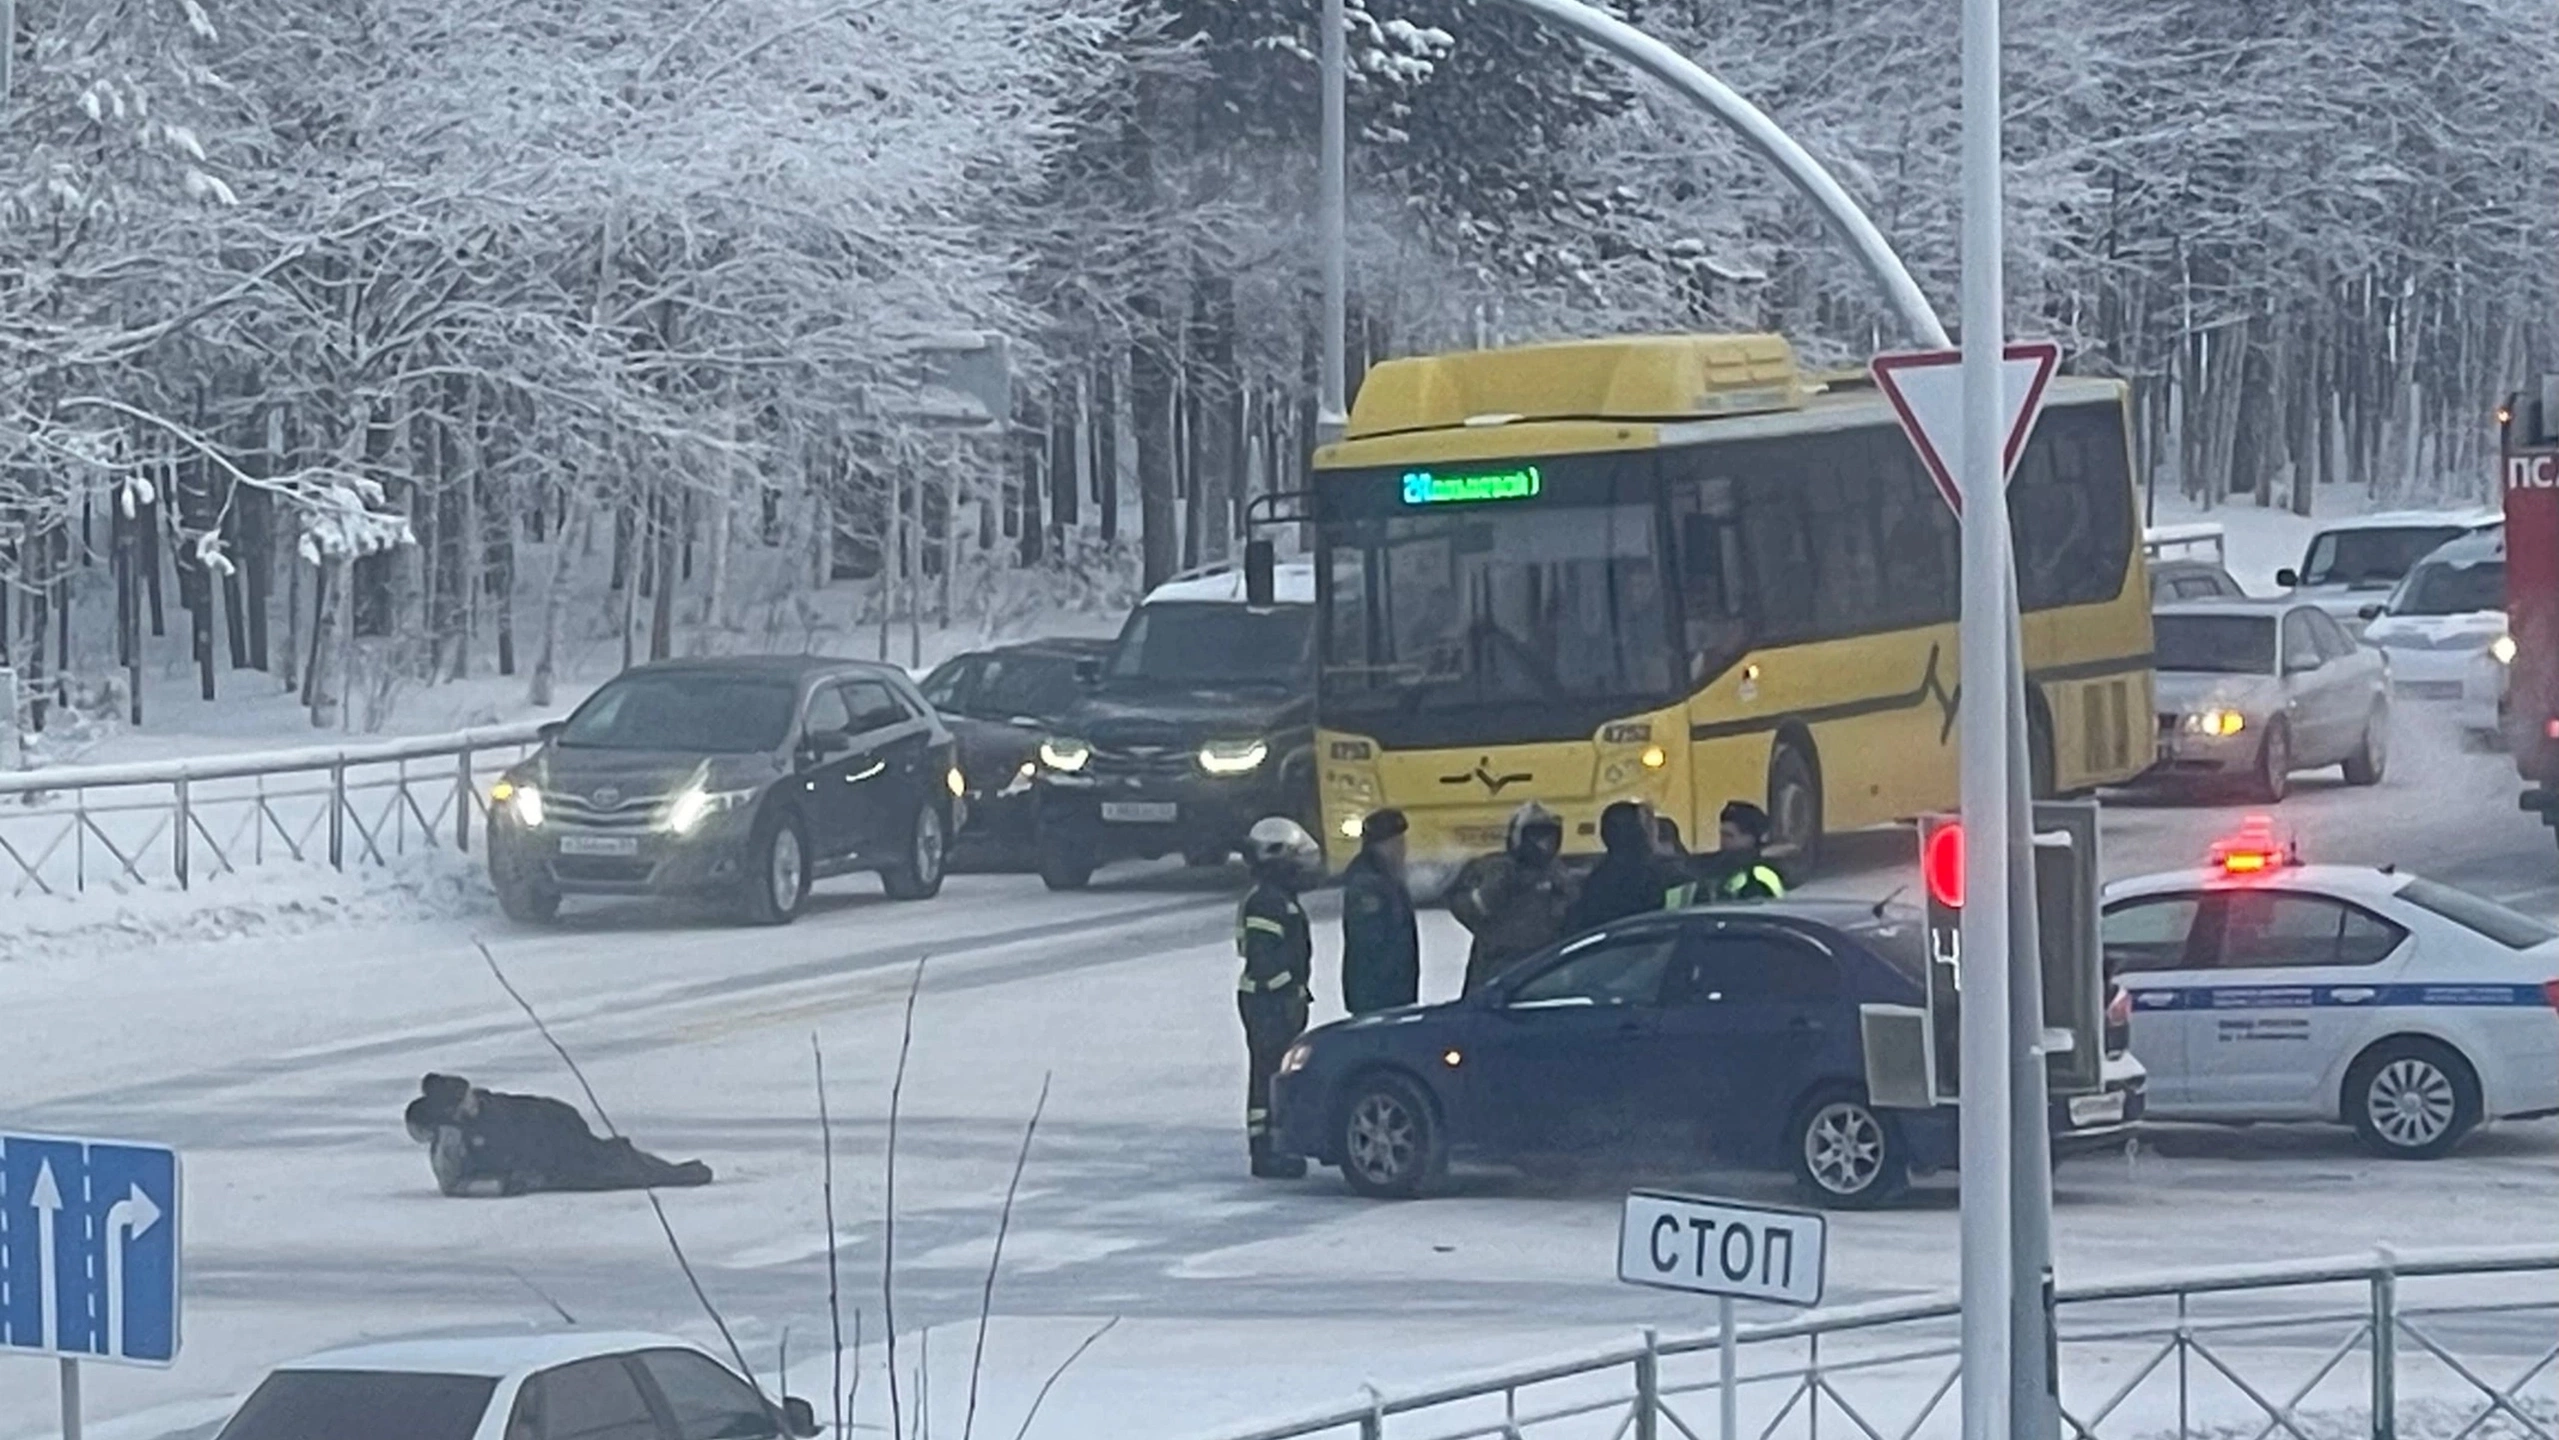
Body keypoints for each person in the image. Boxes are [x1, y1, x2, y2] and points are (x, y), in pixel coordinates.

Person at [403, 1073, 712, 1197]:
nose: (472, 1101)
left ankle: (674, 1173)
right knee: (603, 1172)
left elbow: (532, 1112)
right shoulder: (452, 1137)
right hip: (536, 1166)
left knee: (610, 1156)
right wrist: (505, 1184)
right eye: (464, 1100)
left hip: (554, 1135)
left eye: (469, 1095)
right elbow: (454, 1184)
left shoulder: (490, 1105)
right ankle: (677, 1176)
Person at [1236, 816, 1321, 1179]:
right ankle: (1266, 1150)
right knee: (1269, 1072)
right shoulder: (1268, 903)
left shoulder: (1276, 898)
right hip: (1268, 1002)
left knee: (1272, 1071)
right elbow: (1265, 959)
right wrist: (1288, 991)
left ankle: (1273, 1142)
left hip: (1274, 999)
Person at [1448, 802, 1574, 994]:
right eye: (1536, 836)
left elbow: (1574, 916)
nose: (1543, 844)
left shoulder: (1558, 873)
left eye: (1549, 837)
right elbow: (1464, 907)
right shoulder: (1494, 869)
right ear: (1518, 837)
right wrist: (1491, 893)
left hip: (1545, 968)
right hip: (1498, 968)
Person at [1564, 800, 1685, 934]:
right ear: (1639, 833)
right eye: (1651, 825)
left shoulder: (1597, 879)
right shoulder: (1660, 877)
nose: (1655, 832)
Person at [1340, 808, 1419, 1014]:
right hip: (1377, 996)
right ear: (1380, 845)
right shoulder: (1368, 881)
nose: (1402, 850)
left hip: (1394, 994)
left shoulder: (1388, 876)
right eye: (1396, 843)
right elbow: (1370, 944)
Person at [1704, 800, 1787, 901]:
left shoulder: (1759, 876)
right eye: (1722, 834)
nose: (1723, 840)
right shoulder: (1723, 864)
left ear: (1751, 838)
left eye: (1729, 836)